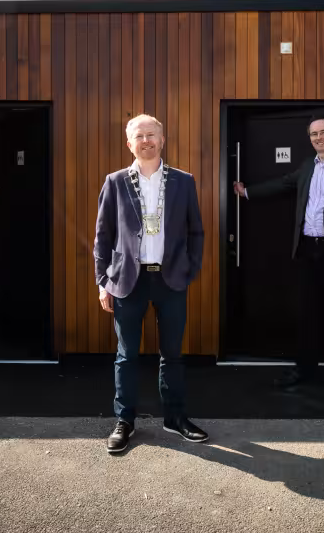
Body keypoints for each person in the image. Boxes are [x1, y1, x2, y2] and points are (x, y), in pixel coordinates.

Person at [94, 114, 207, 454]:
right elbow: (103, 235)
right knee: (126, 355)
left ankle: (175, 417)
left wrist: (189, 270)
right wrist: (102, 282)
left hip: (170, 279)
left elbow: (196, 231)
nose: (146, 141)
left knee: (172, 354)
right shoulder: (115, 182)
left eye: (151, 135)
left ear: (162, 139)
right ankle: (124, 421)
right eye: (139, 136)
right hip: (128, 280)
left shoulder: (183, 181)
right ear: (130, 144)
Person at [233, 116, 324, 391]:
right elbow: (283, 183)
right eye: (314, 134)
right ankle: (304, 369)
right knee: (307, 313)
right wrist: (247, 193)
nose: (319, 137)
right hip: (307, 249)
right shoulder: (307, 166)